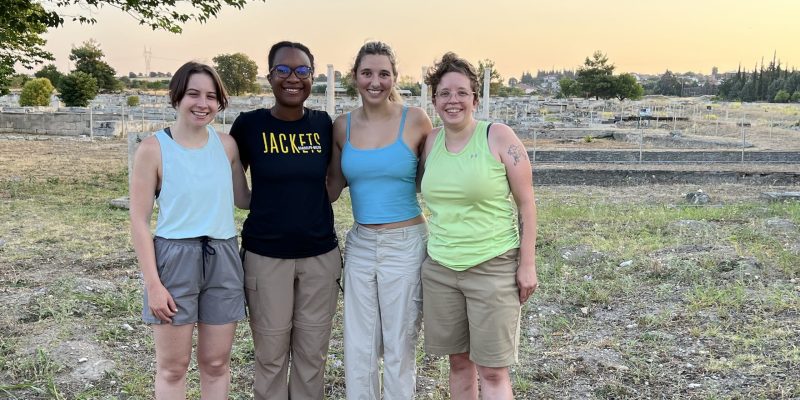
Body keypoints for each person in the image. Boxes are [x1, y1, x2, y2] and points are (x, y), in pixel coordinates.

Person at [419, 52, 538, 399]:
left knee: (493, 370)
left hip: (493, 266)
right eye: (444, 93)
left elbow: (527, 203)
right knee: (458, 363)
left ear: (475, 98)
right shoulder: (430, 143)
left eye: (461, 92)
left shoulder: (498, 137)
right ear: (434, 99)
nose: (452, 100)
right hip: (441, 268)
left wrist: (526, 264)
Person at [129, 61, 250, 399]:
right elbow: (139, 220)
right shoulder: (153, 149)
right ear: (177, 96)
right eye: (194, 94)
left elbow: (244, 199)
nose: (203, 103)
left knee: (216, 364)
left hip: (223, 257)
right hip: (174, 259)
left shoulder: (227, 146)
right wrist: (153, 284)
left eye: (212, 96)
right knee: (173, 367)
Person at [229, 41, 341, 400]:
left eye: (303, 70)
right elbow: (238, 191)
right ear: (270, 76)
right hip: (265, 256)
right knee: (270, 355)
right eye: (284, 70)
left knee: (312, 355)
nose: (294, 78)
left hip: (319, 257)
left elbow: (334, 186)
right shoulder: (249, 126)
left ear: (313, 78)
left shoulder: (325, 126)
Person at [327, 41, 433, 400]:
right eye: (367, 73)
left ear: (394, 78)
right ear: (355, 77)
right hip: (360, 244)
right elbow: (331, 187)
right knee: (359, 346)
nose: (375, 81)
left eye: (383, 74)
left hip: (405, 243)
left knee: (400, 345)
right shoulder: (342, 127)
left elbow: (432, 179)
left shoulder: (416, 119)